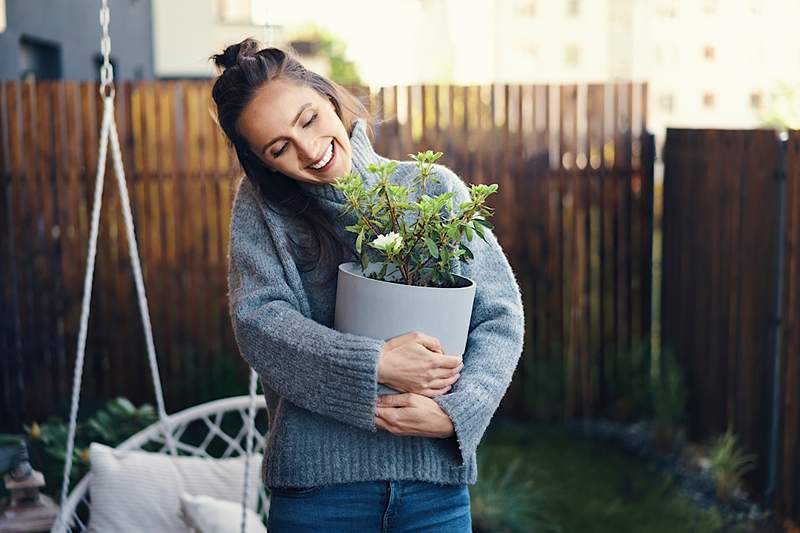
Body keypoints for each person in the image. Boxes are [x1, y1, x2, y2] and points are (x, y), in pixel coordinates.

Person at [209, 38, 525, 532]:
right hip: (318, 496)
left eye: (308, 119)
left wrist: (457, 415)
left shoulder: (432, 189)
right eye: (278, 148)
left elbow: (499, 315)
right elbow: (259, 323)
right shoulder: (262, 211)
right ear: (262, 163)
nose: (309, 150)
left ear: (329, 99)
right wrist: (378, 362)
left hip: (433, 491)